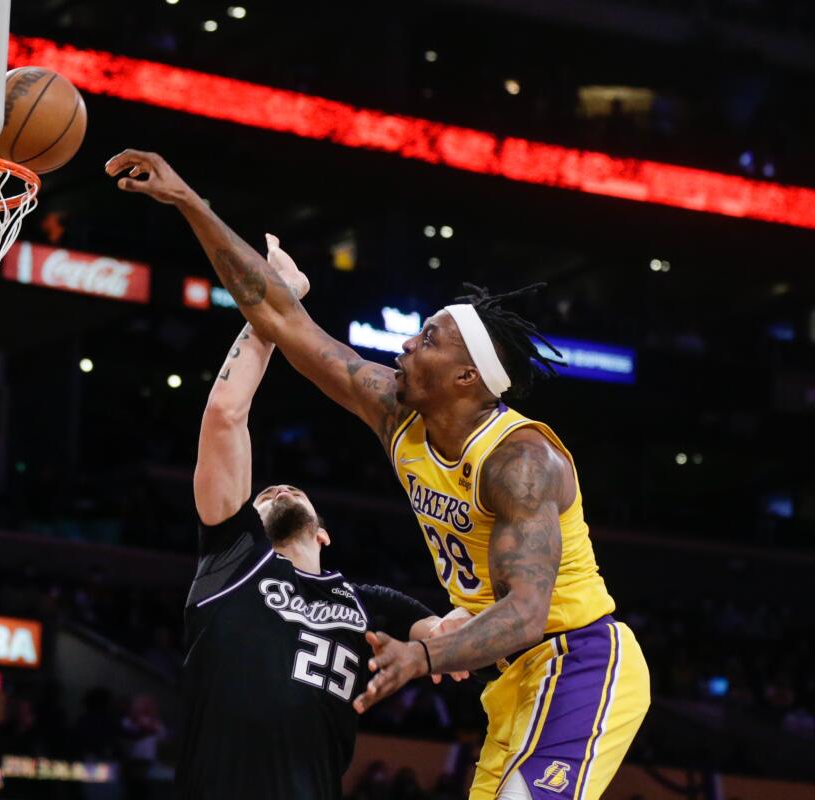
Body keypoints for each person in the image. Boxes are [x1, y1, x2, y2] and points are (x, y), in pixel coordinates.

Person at [107, 150, 651, 800]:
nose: (405, 346)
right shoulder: (397, 412)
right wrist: (189, 201)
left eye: (427, 339)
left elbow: (528, 613)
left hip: (580, 661)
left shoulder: (521, 460)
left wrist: (420, 656)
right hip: (509, 681)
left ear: (465, 377)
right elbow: (281, 316)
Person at [175, 236, 467, 800]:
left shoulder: (371, 605)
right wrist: (274, 307)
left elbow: (445, 637)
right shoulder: (231, 559)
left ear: (323, 532)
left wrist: (458, 638)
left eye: (291, 489)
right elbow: (224, 415)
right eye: (264, 493)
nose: (278, 487)